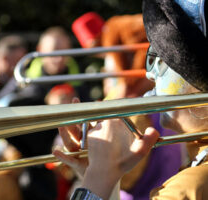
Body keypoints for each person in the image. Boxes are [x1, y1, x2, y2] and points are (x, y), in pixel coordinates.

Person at [54, 0, 208, 199]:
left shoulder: (188, 188)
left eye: (158, 61)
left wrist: (98, 177)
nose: (149, 75)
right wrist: (102, 178)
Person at [71, 11, 182, 200]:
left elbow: (125, 73)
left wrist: (127, 88)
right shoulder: (117, 33)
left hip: (141, 99)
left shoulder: (112, 35)